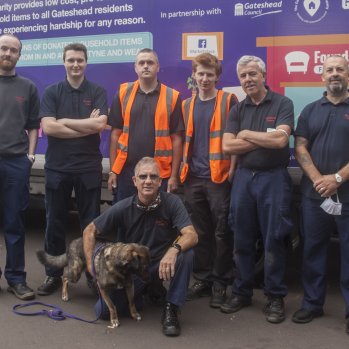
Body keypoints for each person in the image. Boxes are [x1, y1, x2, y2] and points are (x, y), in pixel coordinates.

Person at [83, 157, 198, 336]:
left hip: (161, 263)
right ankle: (148, 289)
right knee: (103, 312)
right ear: (134, 181)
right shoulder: (123, 207)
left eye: (153, 177)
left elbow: (191, 234)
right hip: (134, 270)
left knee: (186, 254)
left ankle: (172, 308)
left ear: (160, 181)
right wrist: (91, 267)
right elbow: (89, 231)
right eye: (143, 177)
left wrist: (173, 250)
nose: (148, 181)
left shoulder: (173, 203)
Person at [222, 55, 294, 323]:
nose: (248, 80)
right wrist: (264, 137)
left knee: (274, 238)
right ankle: (241, 292)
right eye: (243, 76)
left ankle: (275, 297)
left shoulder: (282, 103)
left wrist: (246, 135)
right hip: (243, 179)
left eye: (252, 74)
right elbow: (228, 147)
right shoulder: (237, 109)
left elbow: (280, 141)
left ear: (263, 75)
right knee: (241, 238)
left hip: (273, 179)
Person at [38, 43, 108, 296]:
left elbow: (99, 126)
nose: (75, 64)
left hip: (88, 167)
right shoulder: (52, 92)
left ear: (86, 62)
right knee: (54, 221)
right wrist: (84, 125)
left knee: (90, 224)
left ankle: (91, 273)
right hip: (58, 167)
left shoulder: (97, 91)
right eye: (71, 60)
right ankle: (53, 275)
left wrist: (64, 121)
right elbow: (48, 128)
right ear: (64, 62)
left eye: (80, 60)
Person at [292, 55, 349, 334]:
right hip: (314, 197)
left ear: (347, 74)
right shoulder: (310, 110)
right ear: (322, 76)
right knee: (313, 251)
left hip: (347, 197)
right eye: (330, 70)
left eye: (340, 69)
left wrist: (337, 178)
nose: (335, 74)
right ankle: (312, 304)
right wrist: (318, 180)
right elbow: (300, 147)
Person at [181, 53, 238, 307]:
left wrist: (233, 170)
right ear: (194, 75)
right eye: (200, 73)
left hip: (218, 178)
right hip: (193, 178)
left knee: (222, 232)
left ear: (217, 77)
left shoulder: (229, 100)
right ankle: (203, 279)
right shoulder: (186, 104)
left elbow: (234, 139)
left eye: (209, 74)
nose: (204, 78)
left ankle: (220, 282)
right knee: (201, 232)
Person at [108, 48, 184, 203]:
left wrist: (174, 176)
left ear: (158, 67)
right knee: (125, 219)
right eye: (141, 63)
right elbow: (115, 134)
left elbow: (177, 140)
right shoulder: (123, 93)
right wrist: (112, 171)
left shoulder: (173, 97)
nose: (146, 66)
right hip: (127, 172)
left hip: (158, 174)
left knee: (157, 221)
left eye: (150, 62)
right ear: (135, 67)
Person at [0, 34, 40, 300]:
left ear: (19, 55)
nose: (8, 53)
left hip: (16, 162)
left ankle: (16, 279)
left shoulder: (28, 87)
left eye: (13, 50)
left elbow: (34, 125)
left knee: (14, 224)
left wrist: (30, 155)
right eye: (4, 48)